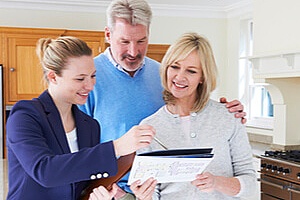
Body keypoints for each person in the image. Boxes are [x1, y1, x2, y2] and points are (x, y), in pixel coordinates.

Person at [79, 0, 247, 198]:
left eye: (141, 41)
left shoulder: (164, 74)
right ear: (108, 34)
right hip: (112, 191)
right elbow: (76, 151)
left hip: (163, 189)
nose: (133, 52)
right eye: (124, 41)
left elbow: (190, 109)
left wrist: (225, 110)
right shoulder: (87, 80)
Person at [5, 36, 155, 200]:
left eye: (93, 76)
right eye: (80, 79)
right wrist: (116, 147)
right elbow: (45, 171)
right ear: (53, 77)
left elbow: (81, 184)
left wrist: (99, 194)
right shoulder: (26, 115)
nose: (90, 85)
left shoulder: (89, 125)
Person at [130, 32, 257, 200]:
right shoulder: (150, 127)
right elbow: (153, 192)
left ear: (203, 77)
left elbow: (250, 186)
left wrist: (217, 183)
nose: (179, 77)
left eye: (191, 71)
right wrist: (143, 196)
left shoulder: (227, 117)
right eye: (174, 67)